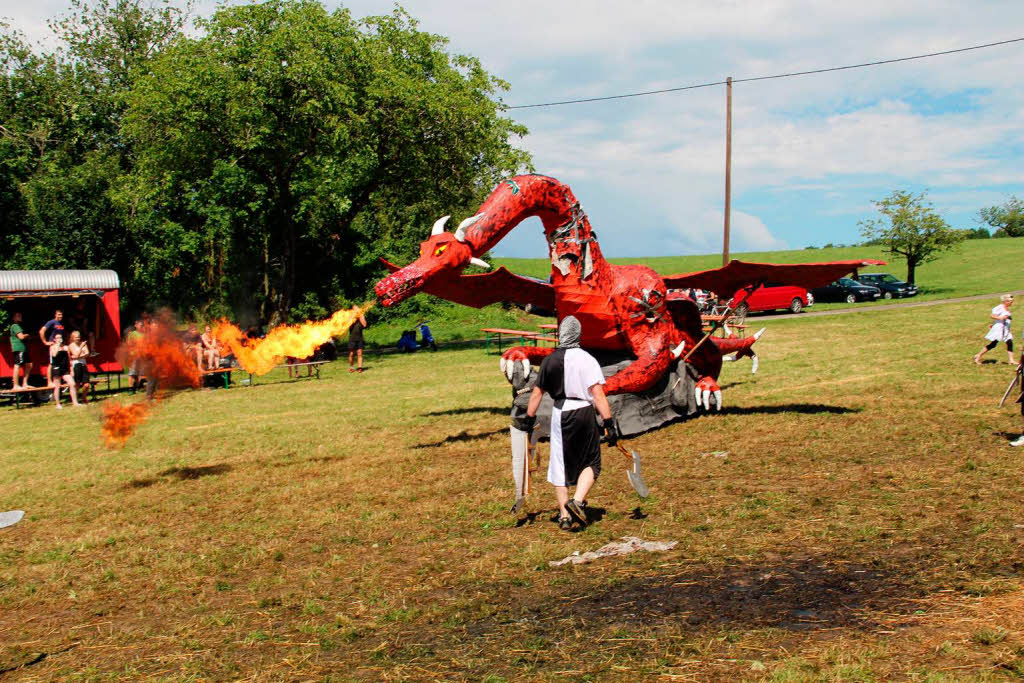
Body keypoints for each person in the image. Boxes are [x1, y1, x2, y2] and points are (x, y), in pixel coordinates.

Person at [523, 316, 618, 531]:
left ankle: (565, 516)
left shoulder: (549, 360)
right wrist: (609, 422)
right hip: (584, 412)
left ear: (560, 334)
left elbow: (537, 394)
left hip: (560, 413)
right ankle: (577, 500)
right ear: (578, 335)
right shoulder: (587, 359)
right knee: (591, 461)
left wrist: (529, 418)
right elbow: (598, 394)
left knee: (559, 464)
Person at [975, 294, 1015, 365]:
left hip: (1005, 329)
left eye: (1012, 301)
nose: (1012, 303)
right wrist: (1000, 318)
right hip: (999, 329)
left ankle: (1011, 360)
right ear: (1005, 301)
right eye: (1010, 301)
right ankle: (978, 355)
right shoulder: (1000, 307)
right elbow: (992, 315)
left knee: (1009, 342)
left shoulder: (1007, 308)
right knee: (993, 344)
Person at [48, 333, 79, 409]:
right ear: (54, 339)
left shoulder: (66, 347)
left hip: (64, 368)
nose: (59, 339)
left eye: (60, 337)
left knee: (72, 383)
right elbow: (54, 355)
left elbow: (69, 359)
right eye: (57, 338)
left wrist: (71, 369)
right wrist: (58, 345)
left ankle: (75, 402)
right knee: (57, 386)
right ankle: (58, 404)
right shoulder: (52, 347)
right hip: (56, 368)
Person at [9, 312, 33, 389]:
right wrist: (27, 335)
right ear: (13, 318)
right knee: (17, 365)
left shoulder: (18, 326)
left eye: (20, 315)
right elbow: (21, 337)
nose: (20, 317)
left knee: (29, 364)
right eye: (18, 316)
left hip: (23, 348)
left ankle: (25, 383)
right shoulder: (15, 326)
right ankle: (15, 385)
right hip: (19, 348)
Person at [68, 330, 92, 404]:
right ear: (72, 338)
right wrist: (81, 348)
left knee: (87, 385)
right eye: (76, 337)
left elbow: (87, 354)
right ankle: (75, 400)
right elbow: (75, 354)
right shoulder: (71, 345)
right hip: (76, 365)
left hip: (83, 364)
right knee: (77, 384)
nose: (78, 338)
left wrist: (77, 356)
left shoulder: (83, 343)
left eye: (78, 337)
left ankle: (83, 398)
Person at [125, 320, 144, 393]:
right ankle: (130, 389)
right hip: (133, 356)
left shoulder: (144, 334)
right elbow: (128, 344)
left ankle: (137, 388)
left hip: (141, 356)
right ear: (136, 325)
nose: (141, 326)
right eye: (140, 325)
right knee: (132, 373)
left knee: (139, 374)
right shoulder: (132, 334)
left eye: (142, 325)